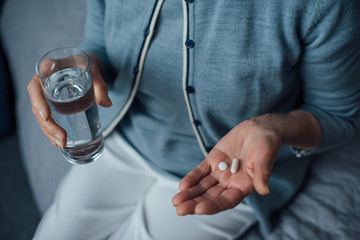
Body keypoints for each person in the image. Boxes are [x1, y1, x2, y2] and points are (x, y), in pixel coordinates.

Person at [27, 0, 360, 239]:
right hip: (123, 139)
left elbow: (338, 115)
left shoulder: (325, 6)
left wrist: (272, 128)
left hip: (222, 173)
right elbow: (100, 42)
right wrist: (79, 66)